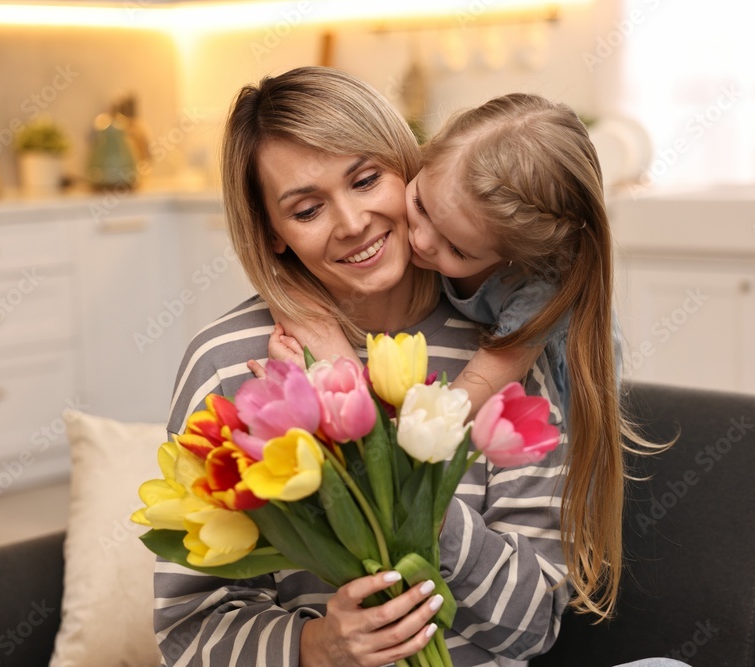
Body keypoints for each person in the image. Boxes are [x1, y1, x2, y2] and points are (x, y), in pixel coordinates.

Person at [156, 67, 571, 667]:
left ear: (411, 169)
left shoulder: (505, 345)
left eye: (366, 179)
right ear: (272, 233)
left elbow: (533, 627)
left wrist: (406, 480)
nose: (352, 223)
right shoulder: (229, 365)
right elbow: (187, 635)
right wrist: (317, 648)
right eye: (306, 210)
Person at [263, 92, 646, 619]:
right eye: (419, 205)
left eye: (457, 251)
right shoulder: (457, 200)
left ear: (513, 257)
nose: (418, 242)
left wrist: (339, 370)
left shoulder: (536, 299)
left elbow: (439, 424)